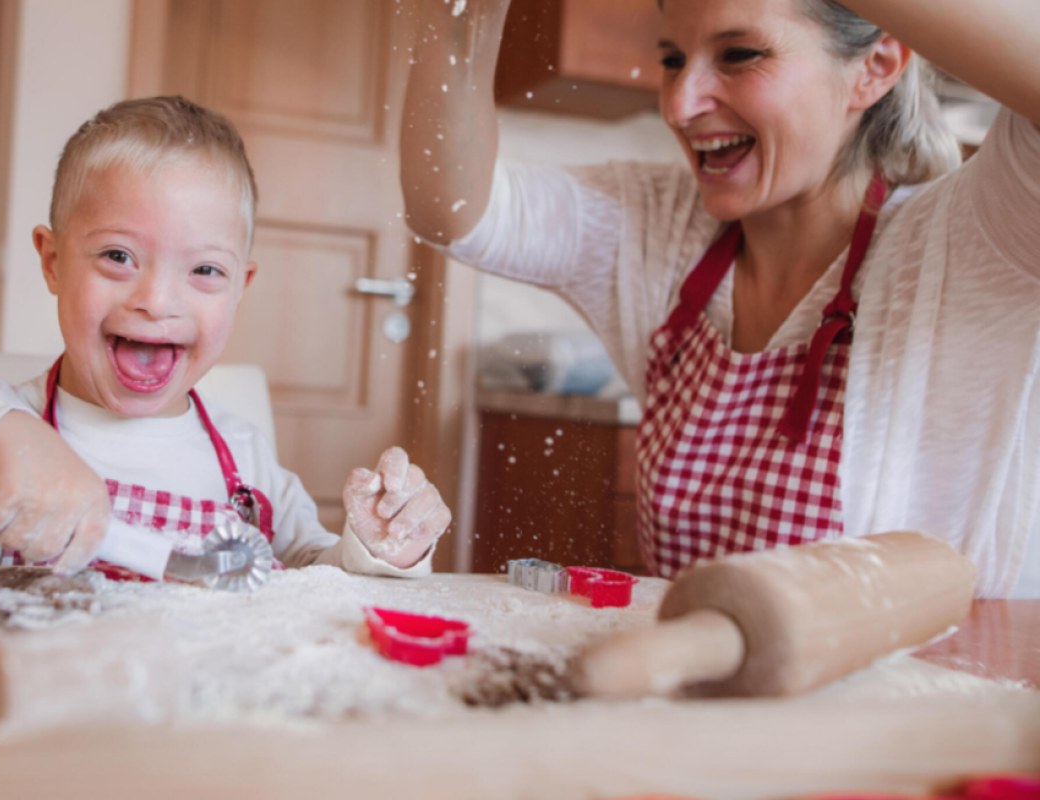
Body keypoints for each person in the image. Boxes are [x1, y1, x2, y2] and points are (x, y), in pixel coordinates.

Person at [402, 0, 1040, 597]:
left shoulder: (978, 238)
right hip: (709, 703)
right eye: (673, 59)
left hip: (923, 707)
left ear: (873, 68)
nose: (680, 104)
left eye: (739, 56)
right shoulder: (656, 227)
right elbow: (452, 212)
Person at [0, 96, 451, 580]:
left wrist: (376, 549)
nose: (155, 300)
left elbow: (313, 581)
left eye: (204, 270)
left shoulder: (245, 465)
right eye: (118, 256)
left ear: (240, 286)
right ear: (52, 262)